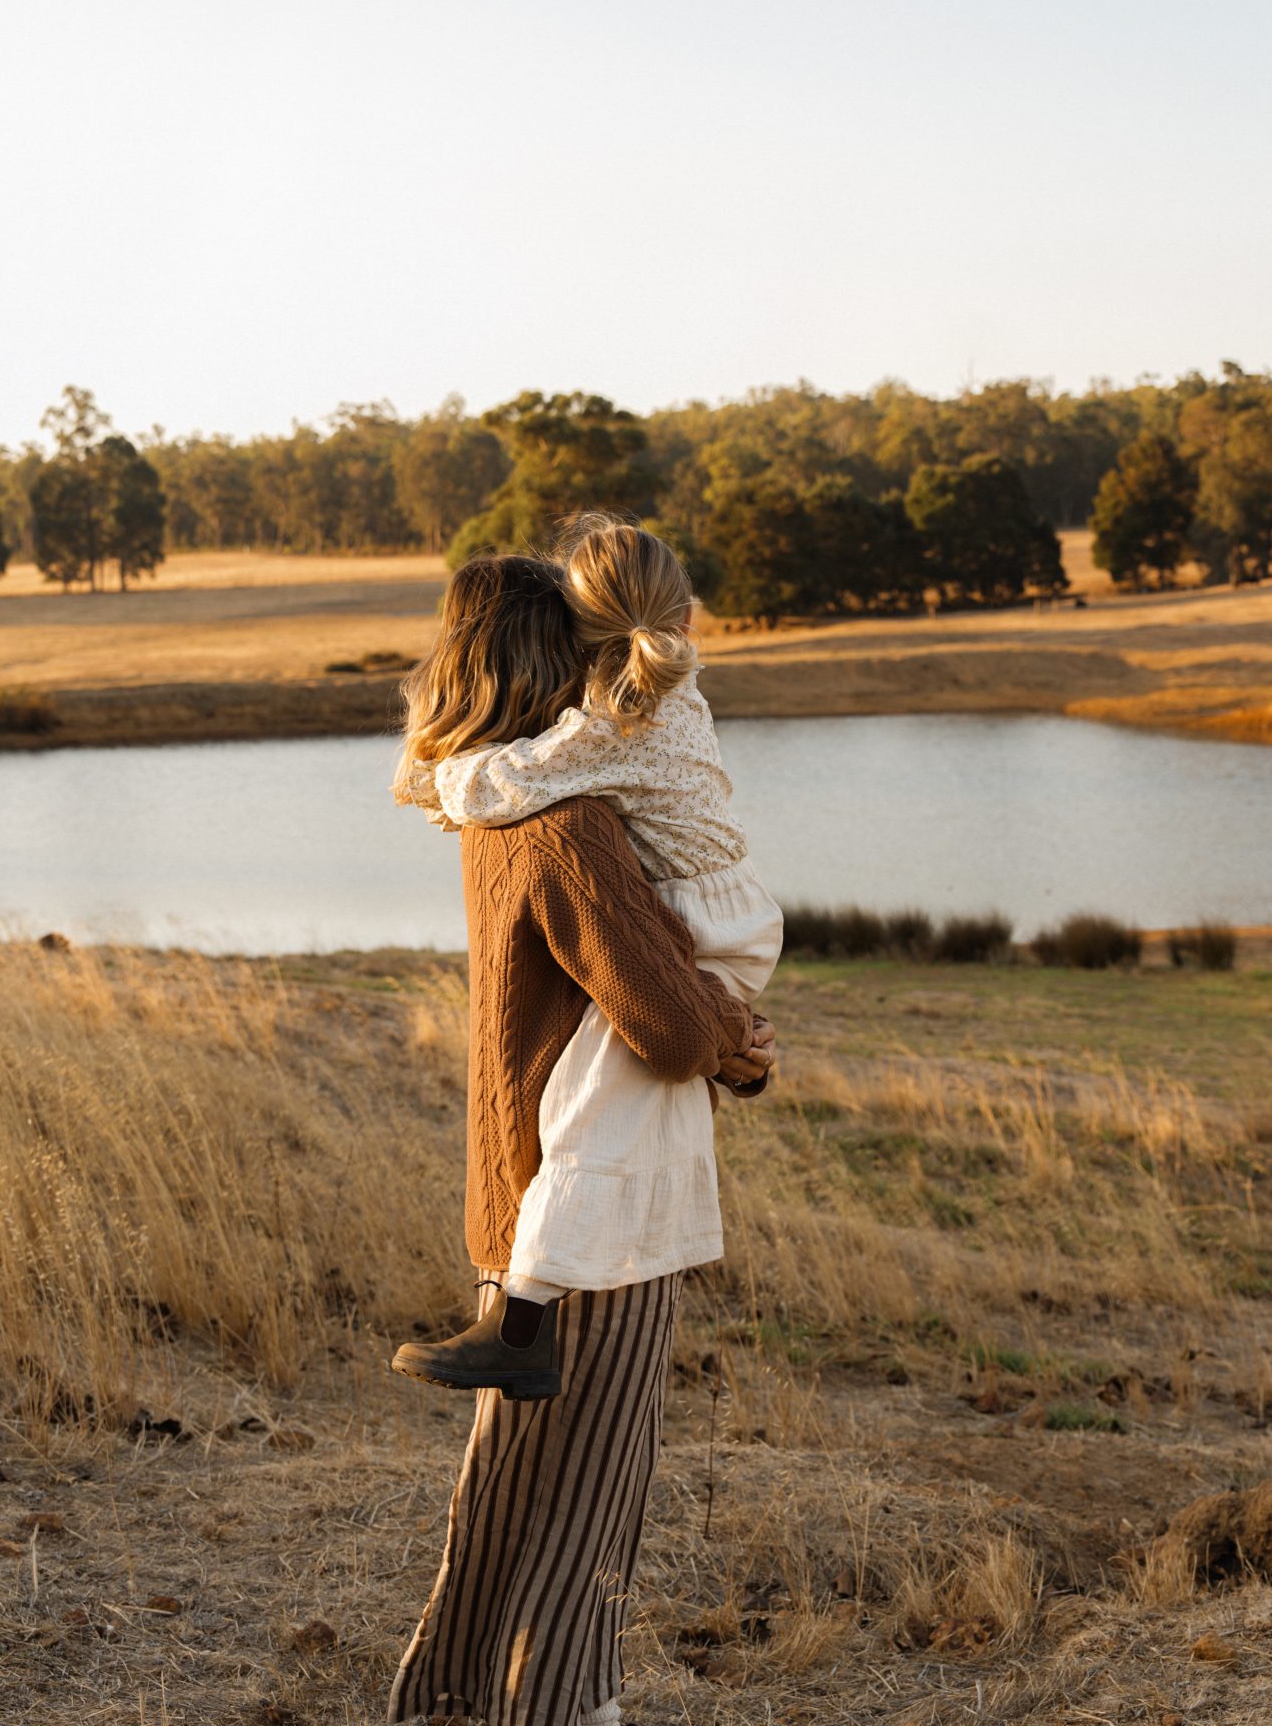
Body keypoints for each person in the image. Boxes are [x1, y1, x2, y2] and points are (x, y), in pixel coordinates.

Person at [386, 552, 775, 1726]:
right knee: (591, 1493)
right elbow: (660, 1014)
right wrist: (738, 1039)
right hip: (603, 1210)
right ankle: (559, 1705)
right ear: (567, 656)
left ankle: (453, 1696)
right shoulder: (570, 822)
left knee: (509, 1481)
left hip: (526, 1192)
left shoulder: (488, 796)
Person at [397, 516, 782, 1392]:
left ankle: (523, 1324)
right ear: (681, 616)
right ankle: (524, 1321)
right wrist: (736, 1042)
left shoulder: (577, 778)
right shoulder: (651, 710)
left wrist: (436, 770)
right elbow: (684, 1031)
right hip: (727, 918)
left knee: (591, 1116)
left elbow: (676, 1032)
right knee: (594, 1112)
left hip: (711, 924)